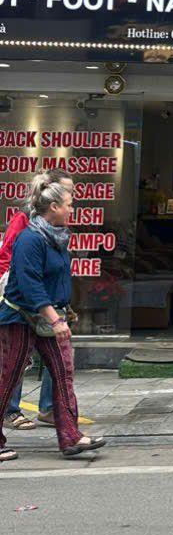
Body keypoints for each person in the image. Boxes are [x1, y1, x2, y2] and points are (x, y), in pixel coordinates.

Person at [0, 178, 105, 463]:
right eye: (69, 205)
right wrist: (56, 320)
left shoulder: (57, 237)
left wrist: (64, 309)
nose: (73, 209)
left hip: (49, 316)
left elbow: (56, 279)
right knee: (9, 377)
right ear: (54, 207)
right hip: (20, 317)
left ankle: (71, 437)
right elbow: (30, 284)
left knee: (63, 374)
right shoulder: (30, 239)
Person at [1, 172, 74, 431]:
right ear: (52, 199)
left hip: (47, 307)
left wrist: (62, 305)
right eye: (68, 194)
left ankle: (57, 417)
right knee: (15, 363)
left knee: (61, 364)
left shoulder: (59, 231)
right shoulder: (27, 227)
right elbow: (13, 261)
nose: (72, 202)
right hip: (21, 306)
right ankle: (10, 410)